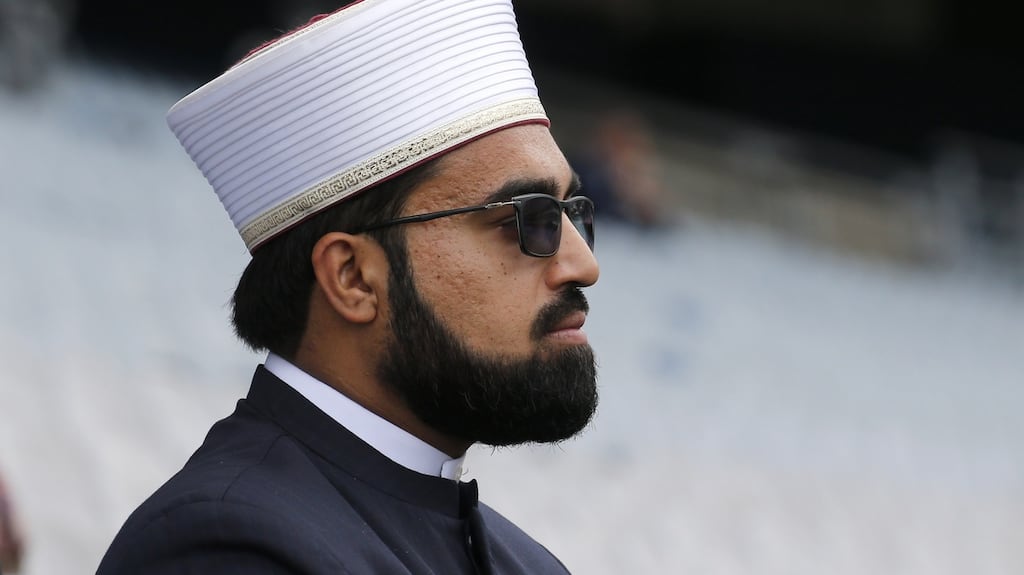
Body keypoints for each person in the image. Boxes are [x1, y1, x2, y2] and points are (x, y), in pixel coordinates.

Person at [97, 0, 600, 573]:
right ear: (353, 277)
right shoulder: (231, 547)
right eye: (526, 218)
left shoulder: (526, 563)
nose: (582, 265)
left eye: (573, 213)